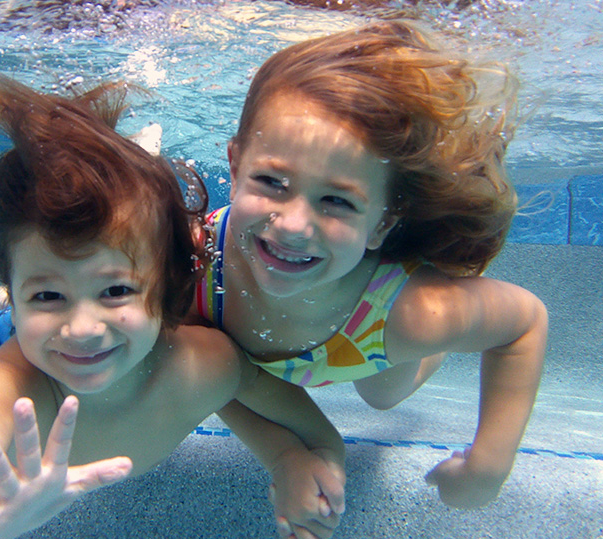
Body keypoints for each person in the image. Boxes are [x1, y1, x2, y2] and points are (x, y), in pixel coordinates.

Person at [0, 74, 347, 539]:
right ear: (14, 280)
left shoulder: (204, 363)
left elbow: (243, 392)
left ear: (169, 285)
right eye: (47, 295)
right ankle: (2, 314)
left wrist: (294, 456)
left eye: (115, 291)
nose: (83, 329)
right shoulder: (12, 384)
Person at [194, 19, 548, 513]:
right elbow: (206, 376)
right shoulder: (194, 262)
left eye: (337, 201)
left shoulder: (414, 314)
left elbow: (524, 324)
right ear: (234, 168)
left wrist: (489, 464)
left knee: (384, 395)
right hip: (261, 346)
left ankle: (425, 355)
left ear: (383, 224)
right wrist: (285, 453)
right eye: (272, 181)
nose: (294, 224)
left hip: (367, 334)